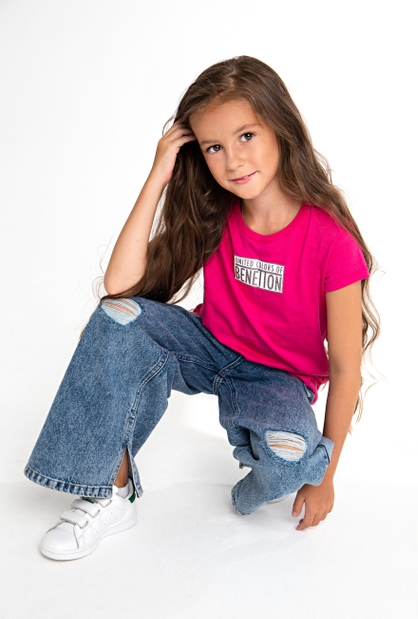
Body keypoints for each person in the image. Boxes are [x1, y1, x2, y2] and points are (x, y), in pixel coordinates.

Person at [25, 56, 379, 561]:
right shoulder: (216, 212)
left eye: (246, 136)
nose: (232, 161)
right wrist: (158, 175)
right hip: (206, 348)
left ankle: (255, 476)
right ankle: (110, 492)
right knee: (115, 318)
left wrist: (326, 477)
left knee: (298, 459)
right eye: (214, 146)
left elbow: (345, 369)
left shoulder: (331, 240)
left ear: (281, 128)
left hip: (277, 379)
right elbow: (119, 285)